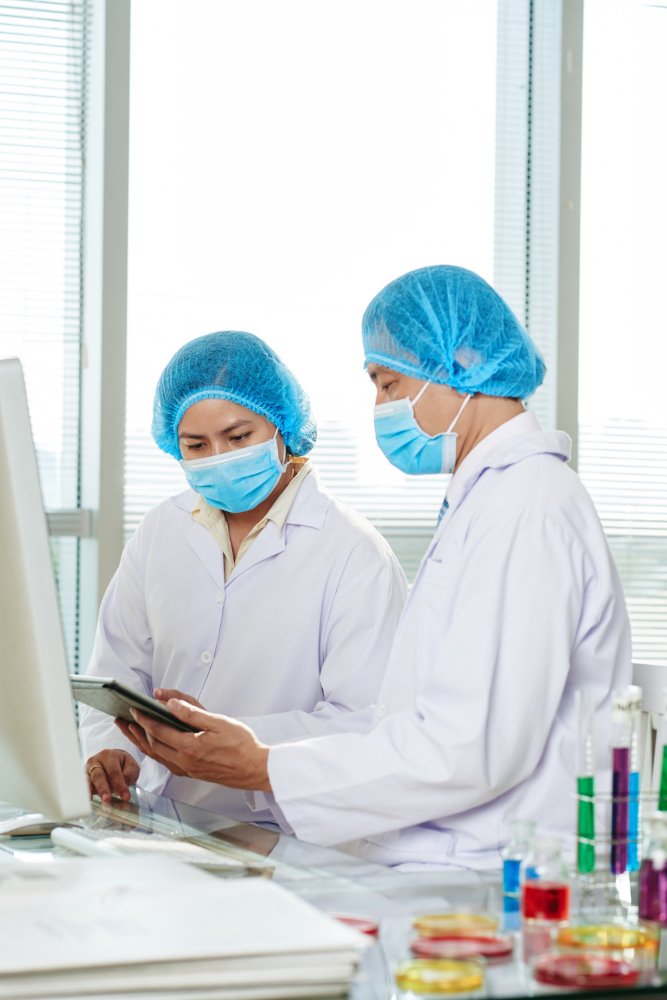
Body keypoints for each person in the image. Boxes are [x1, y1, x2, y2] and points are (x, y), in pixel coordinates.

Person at [120, 267, 632, 869]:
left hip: (487, 866)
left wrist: (264, 765)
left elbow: (471, 746)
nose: (382, 407)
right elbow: (422, 722)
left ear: (464, 362)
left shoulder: (527, 508)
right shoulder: (492, 501)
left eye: (389, 383)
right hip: (436, 849)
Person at [80, 330, 407, 820]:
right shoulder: (161, 529)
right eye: (196, 444)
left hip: (283, 831)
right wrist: (111, 753)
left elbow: (365, 722)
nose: (219, 457)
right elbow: (117, 672)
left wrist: (242, 747)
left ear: (282, 426)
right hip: (159, 819)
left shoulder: (354, 552)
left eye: (238, 437)